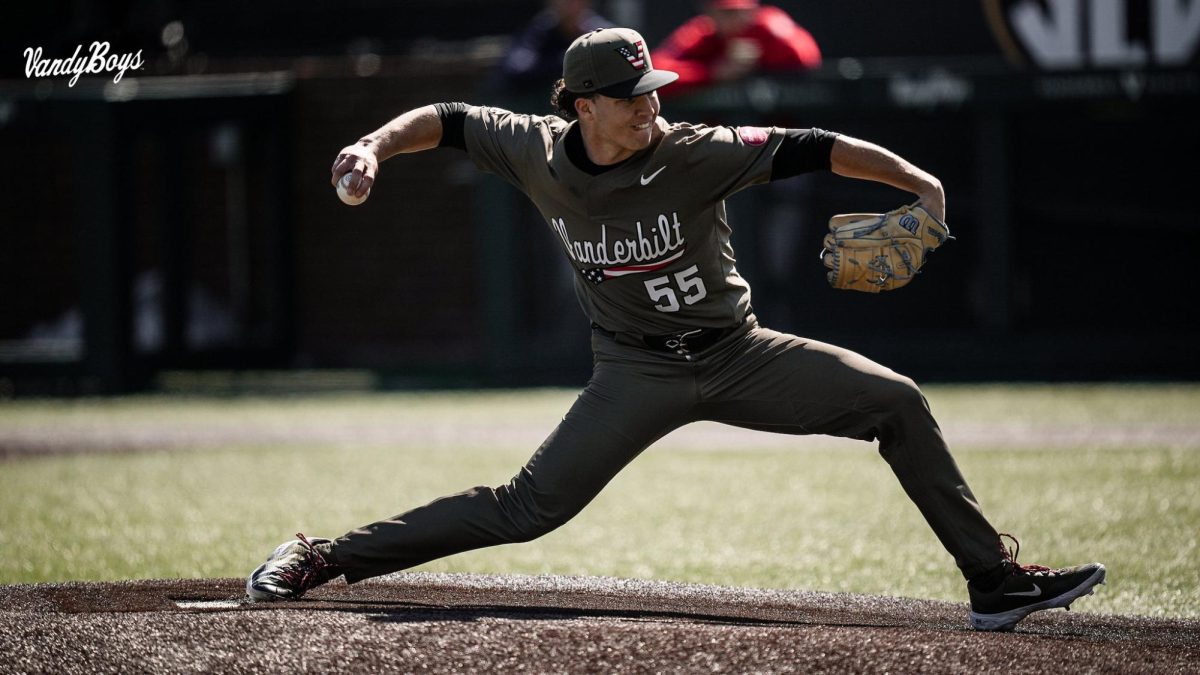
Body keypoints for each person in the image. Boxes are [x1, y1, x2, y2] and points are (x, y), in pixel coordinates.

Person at [246, 27, 1106, 632]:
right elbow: (446, 119)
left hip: (739, 354)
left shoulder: (691, 149)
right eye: (629, 99)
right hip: (633, 372)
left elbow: (815, 143)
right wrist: (371, 144)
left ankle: (992, 581)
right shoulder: (535, 149)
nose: (648, 109)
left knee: (898, 401)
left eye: (651, 91)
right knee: (525, 508)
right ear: (582, 105)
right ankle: (323, 556)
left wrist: (918, 180)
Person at [652, 0, 822, 98]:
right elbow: (656, 71)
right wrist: (712, 72)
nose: (737, 19)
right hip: (719, 137)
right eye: (727, 12)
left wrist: (761, 54)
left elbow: (807, 57)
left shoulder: (767, 26)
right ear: (710, 12)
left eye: (741, 11)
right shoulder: (704, 31)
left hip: (777, 133)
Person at [494, 0, 613, 91]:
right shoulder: (541, 29)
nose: (570, 5)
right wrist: (568, 60)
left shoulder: (601, 33)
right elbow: (516, 68)